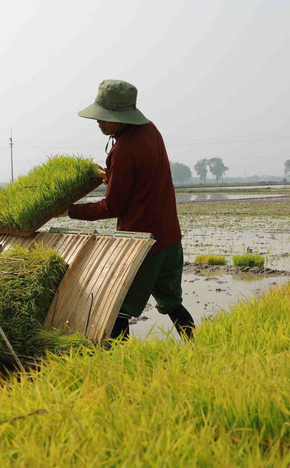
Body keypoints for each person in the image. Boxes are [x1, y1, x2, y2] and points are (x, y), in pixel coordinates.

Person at [68, 79, 195, 340]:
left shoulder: (123, 150)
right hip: (170, 238)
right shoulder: (150, 131)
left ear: (121, 117)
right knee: (172, 304)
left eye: (104, 117)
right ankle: (199, 350)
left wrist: (70, 210)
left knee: (119, 309)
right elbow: (144, 177)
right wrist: (113, 177)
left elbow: (112, 206)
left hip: (143, 244)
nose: (99, 122)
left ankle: (118, 366)